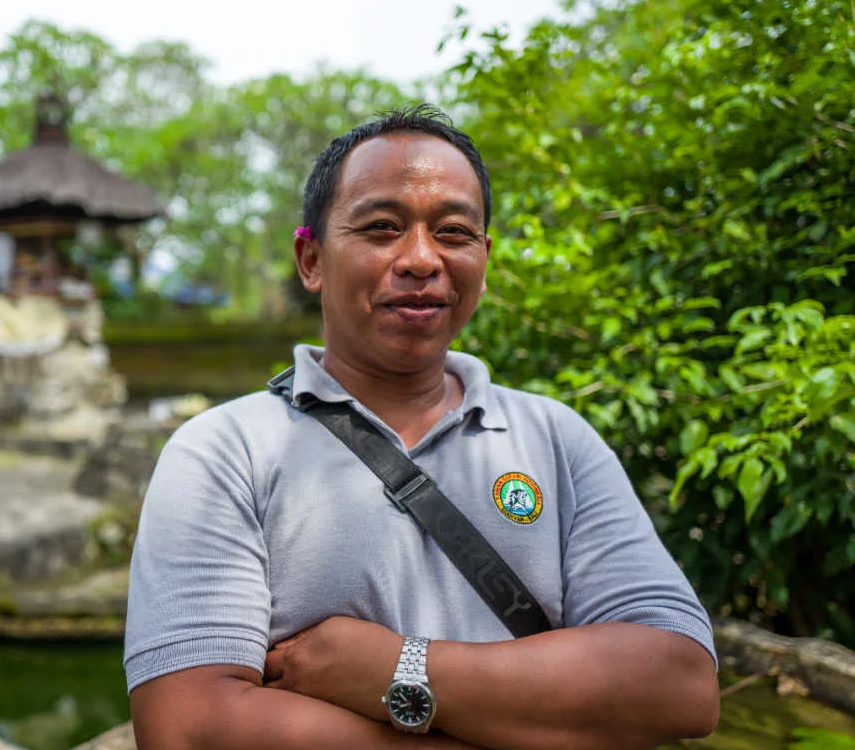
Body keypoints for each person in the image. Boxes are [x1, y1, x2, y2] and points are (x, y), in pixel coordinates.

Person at [124, 104, 720, 749]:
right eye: (381, 227)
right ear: (311, 259)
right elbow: (188, 726)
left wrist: (394, 670)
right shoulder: (225, 452)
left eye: (454, 232)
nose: (420, 259)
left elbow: (680, 683)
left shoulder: (556, 438)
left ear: (484, 260)